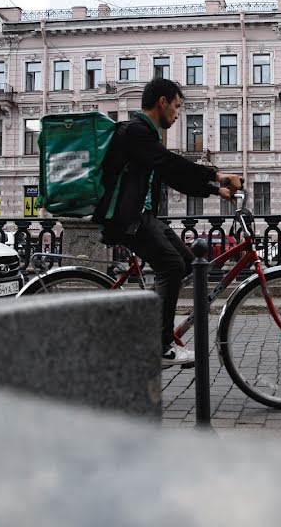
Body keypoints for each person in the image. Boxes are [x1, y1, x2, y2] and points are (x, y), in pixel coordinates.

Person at [93, 78, 243, 366]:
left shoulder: (147, 137)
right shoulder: (136, 131)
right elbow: (170, 163)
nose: (177, 113)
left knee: (187, 263)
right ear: (162, 102)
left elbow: (173, 176)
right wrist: (218, 175)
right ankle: (160, 347)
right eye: (176, 106)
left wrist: (216, 190)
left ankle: (151, 319)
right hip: (126, 219)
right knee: (171, 266)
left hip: (142, 216)